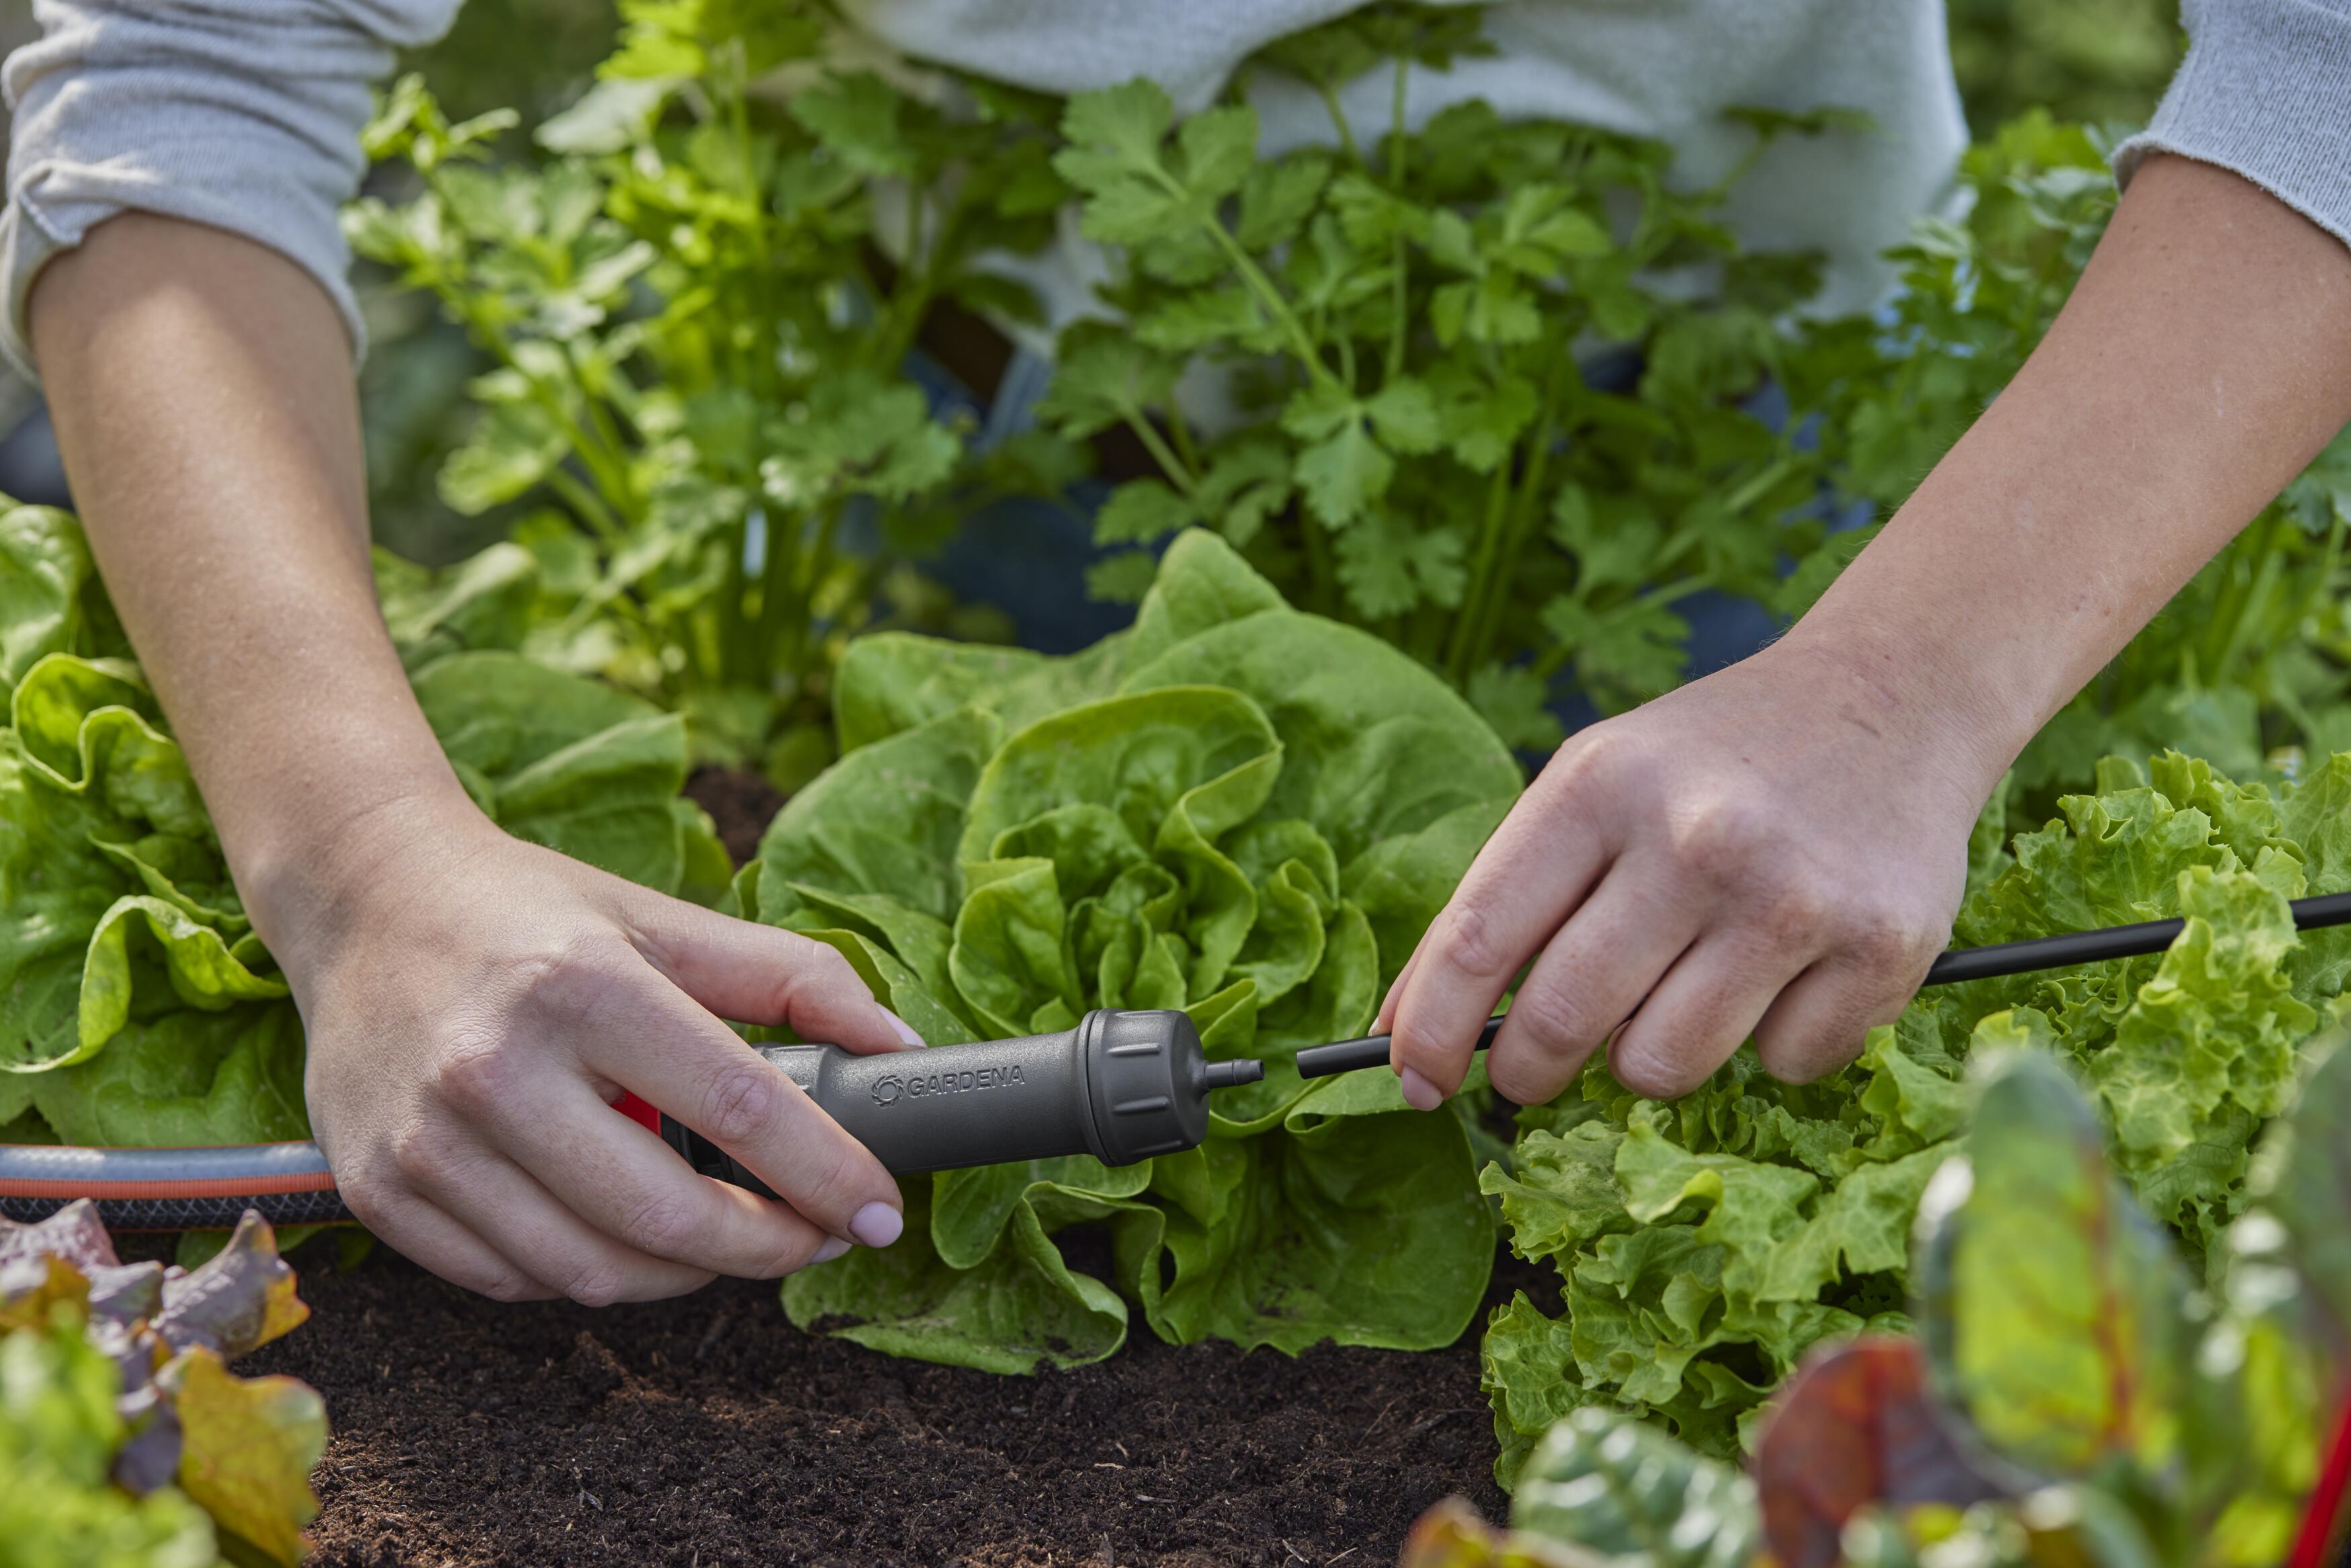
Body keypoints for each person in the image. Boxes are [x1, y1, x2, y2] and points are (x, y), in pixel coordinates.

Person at [4, 1, 2348, 1309]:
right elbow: (204, 56)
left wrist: (1901, 687)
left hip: (1787, 449)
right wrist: (362, 855)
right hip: (941, 386)